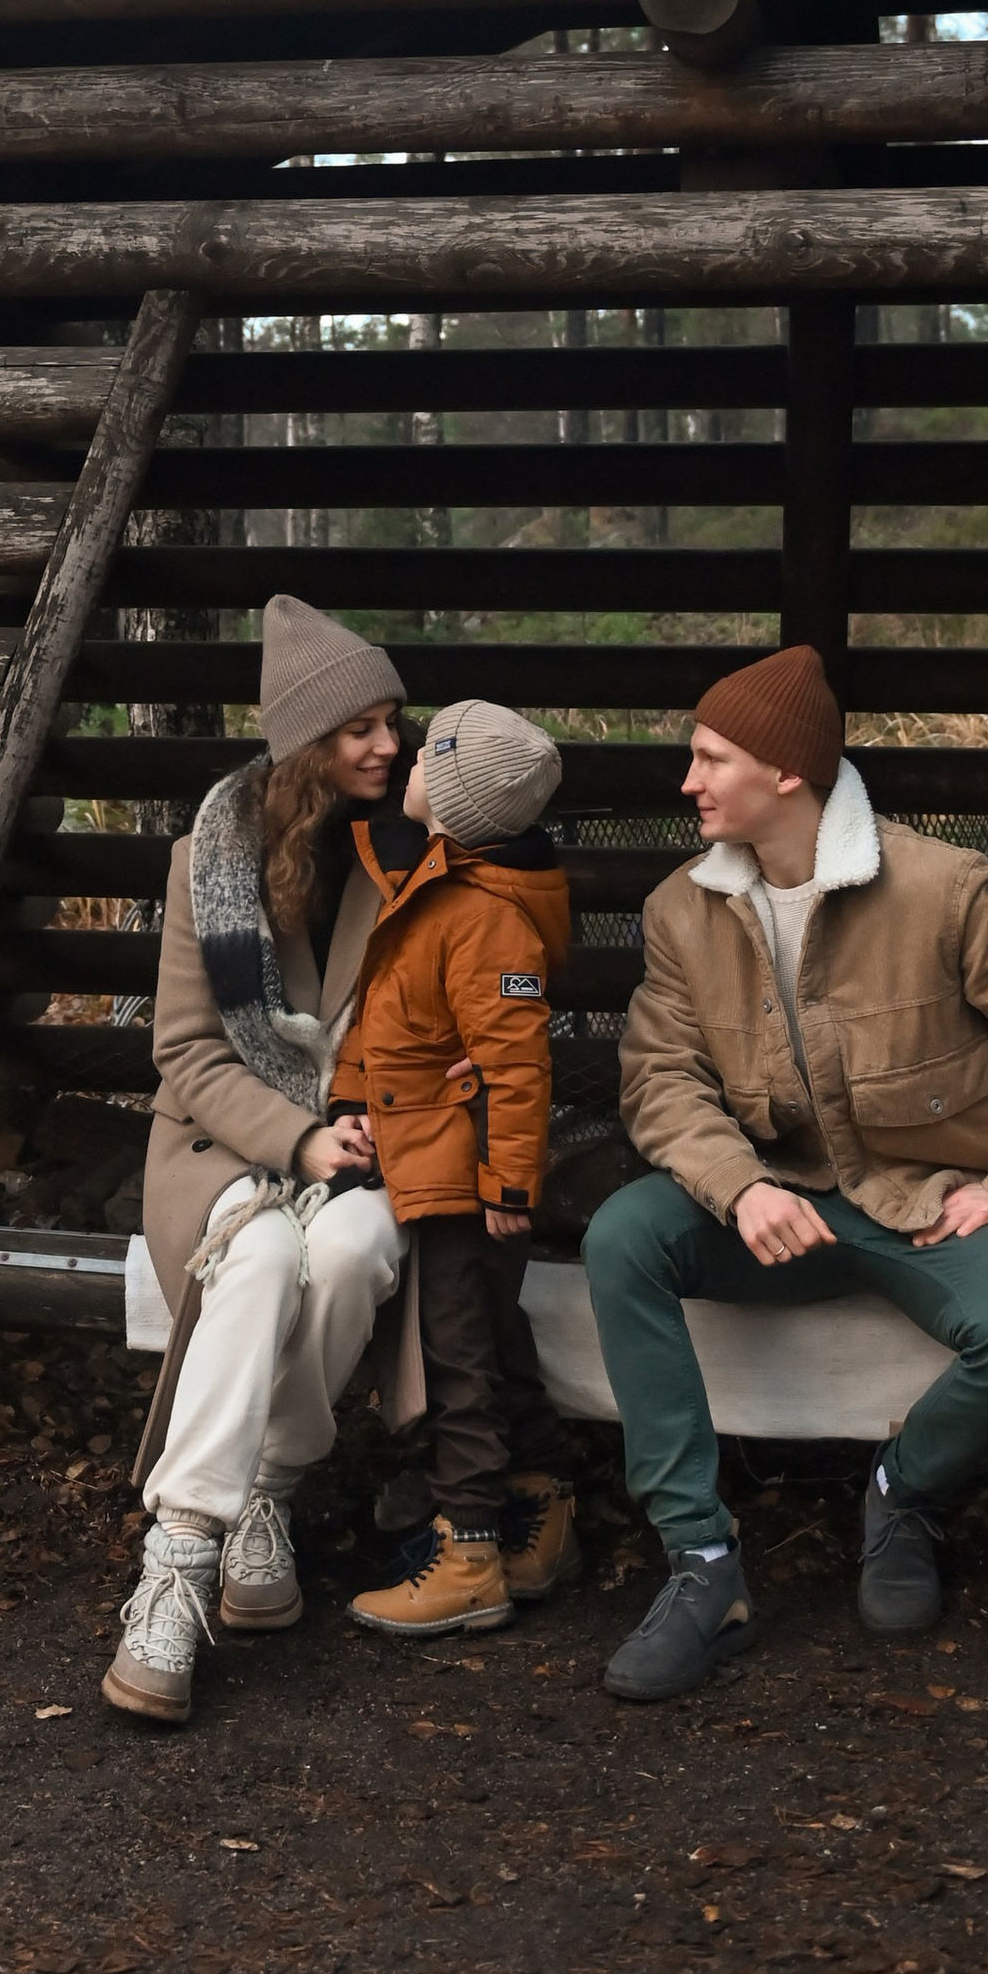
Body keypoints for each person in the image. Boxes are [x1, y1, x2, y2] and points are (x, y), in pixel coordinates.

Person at [583, 644, 988, 1704]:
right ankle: (701, 1562)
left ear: (786, 771)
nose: (687, 780)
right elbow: (658, 1079)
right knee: (621, 1237)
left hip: (918, 1208)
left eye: (709, 757)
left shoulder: (939, 887)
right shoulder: (679, 909)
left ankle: (902, 1492)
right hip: (767, 1207)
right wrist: (740, 1186)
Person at [105, 593, 411, 1724]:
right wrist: (293, 1134)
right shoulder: (211, 854)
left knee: (353, 1245)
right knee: (266, 1252)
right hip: (222, 1141)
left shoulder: (407, 847)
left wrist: (375, 1119)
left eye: (392, 720)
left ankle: (270, 1488)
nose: (387, 743)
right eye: (359, 727)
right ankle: (179, 1559)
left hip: (368, 1141)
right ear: (301, 746)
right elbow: (182, 1048)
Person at [339, 699, 584, 1639]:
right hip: (432, 1153)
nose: (401, 755)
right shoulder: (442, 886)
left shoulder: (484, 917)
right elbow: (389, 1019)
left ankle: (469, 1547)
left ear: (446, 794)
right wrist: (347, 1097)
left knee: (458, 1361)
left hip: (464, 1175)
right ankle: (541, 1510)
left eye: (422, 752)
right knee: (491, 1336)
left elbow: (518, 1064)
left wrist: (509, 1186)